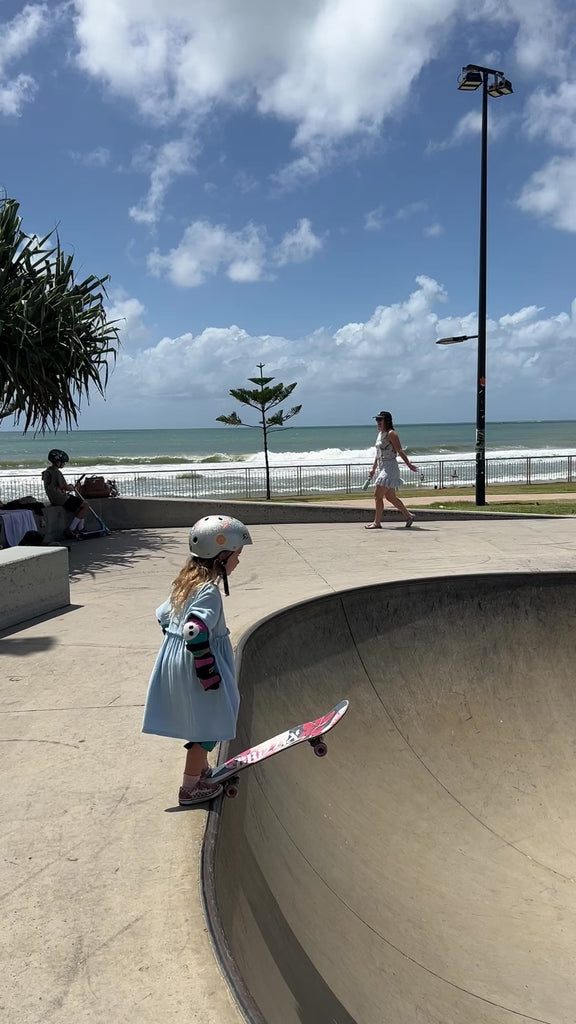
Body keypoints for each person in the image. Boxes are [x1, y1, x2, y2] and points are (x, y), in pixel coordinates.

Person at [142, 514, 253, 806]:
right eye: (237, 555)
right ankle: (191, 787)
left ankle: (201, 770)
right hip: (199, 664)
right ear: (222, 556)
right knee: (213, 722)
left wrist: (173, 649)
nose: (238, 562)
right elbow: (194, 629)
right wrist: (206, 670)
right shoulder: (208, 591)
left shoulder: (185, 583)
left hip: (179, 661)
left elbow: (162, 615)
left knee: (203, 719)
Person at [365, 411, 418, 528]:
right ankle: (409, 516)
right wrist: (373, 469)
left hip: (390, 467)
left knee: (377, 495)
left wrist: (408, 464)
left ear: (387, 421)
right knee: (390, 497)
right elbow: (378, 454)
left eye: (380, 420)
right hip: (382, 466)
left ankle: (377, 522)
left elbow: (399, 450)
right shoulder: (380, 434)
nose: (378, 422)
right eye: (377, 420)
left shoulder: (391, 434)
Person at [41, 449, 89, 540]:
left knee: (79, 507)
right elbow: (66, 487)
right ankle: (73, 529)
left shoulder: (48, 471)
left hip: (54, 498)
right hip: (61, 498)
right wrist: (73, 487)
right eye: (63, 462)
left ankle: (79, 529)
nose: (64, 464)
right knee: (85, 505)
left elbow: (55, 486)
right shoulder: (56, 472)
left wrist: (66, 487)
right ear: (57, 462)